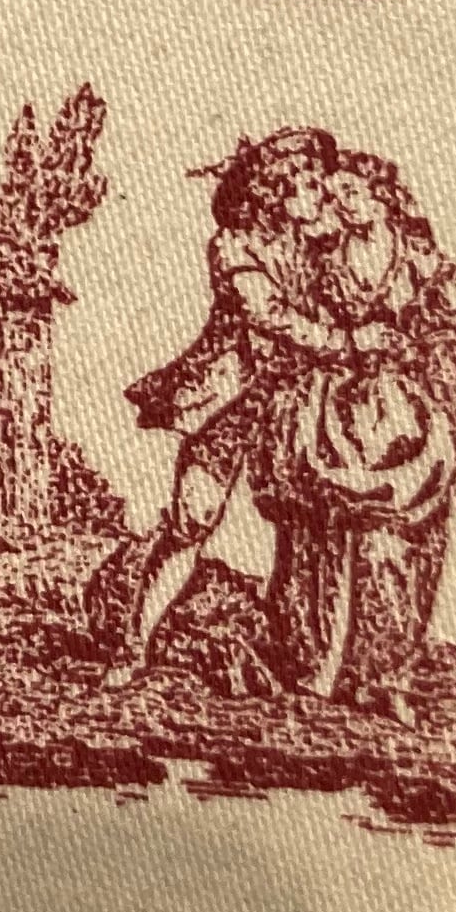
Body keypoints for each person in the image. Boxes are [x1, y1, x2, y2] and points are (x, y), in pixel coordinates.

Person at [247, 143, 456, 714]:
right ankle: (322, 667)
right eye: (336, 195)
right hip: (341, 411)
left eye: (352, 193)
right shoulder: (323, 258)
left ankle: (386, 672)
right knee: (335, 540)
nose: (341, 203)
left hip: (407, 415)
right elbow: (297, 324)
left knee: (410, 544)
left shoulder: (418, 258)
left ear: (383, 198)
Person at [106, 126, 346, 684]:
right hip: (232, 400)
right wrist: (342, 342)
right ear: (275, 190)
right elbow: (269, 315)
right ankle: (132, 649)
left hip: (304, 400)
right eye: (308, 183)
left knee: (314, 525)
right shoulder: (233, 246)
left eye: (319, 182)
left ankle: (311, 663)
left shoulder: (319, 245)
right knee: (192, 521)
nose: (322, 193)